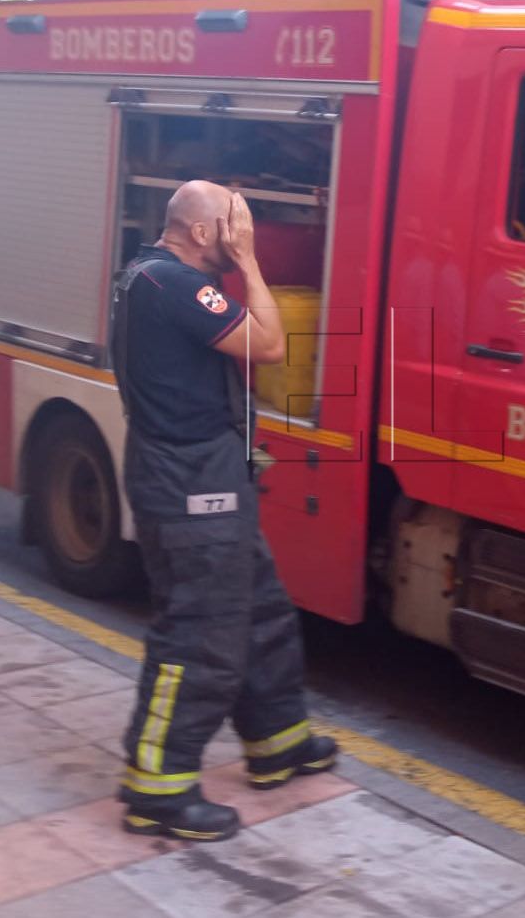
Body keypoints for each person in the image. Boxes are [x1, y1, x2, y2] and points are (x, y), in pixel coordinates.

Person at [110, 181, 336, 842]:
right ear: (204, 232)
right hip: (188, 483)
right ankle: (158, 788)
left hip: (205, 473)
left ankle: (277, 742)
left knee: (260, 610)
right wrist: (252, 264)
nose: (246, 235)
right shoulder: (176, 284)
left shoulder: (150, 275)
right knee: (201, 632)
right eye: (237, 224)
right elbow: (270, 345)